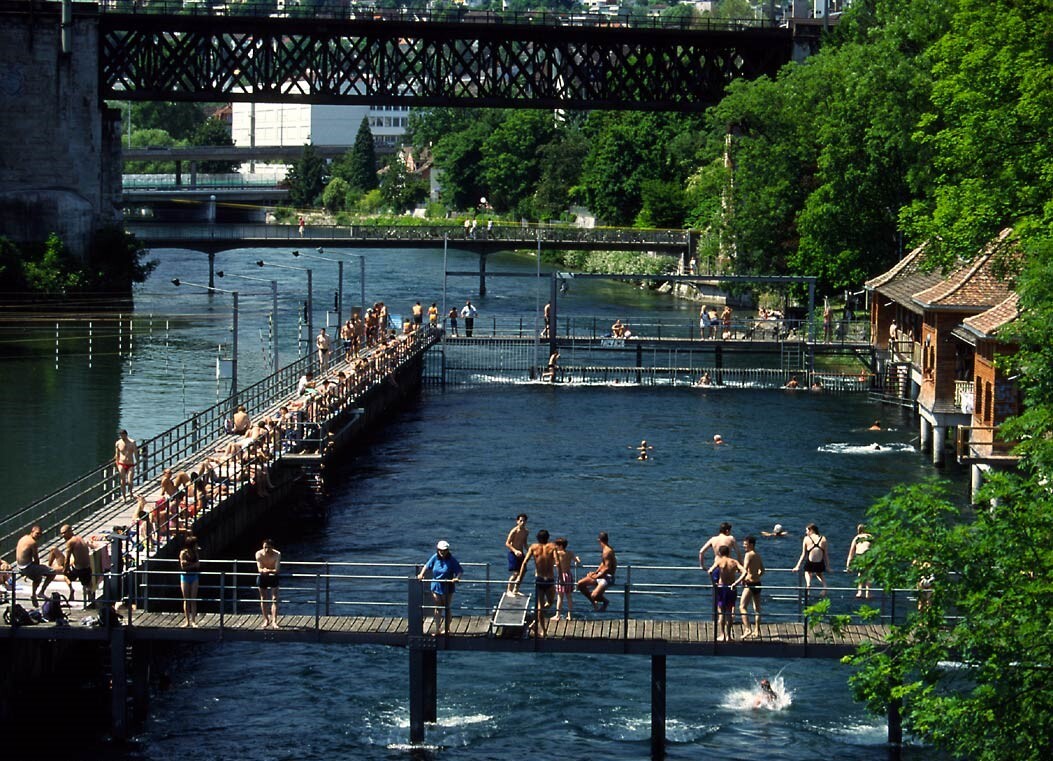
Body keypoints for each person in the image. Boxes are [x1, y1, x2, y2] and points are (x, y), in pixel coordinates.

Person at [516, 529, 558, 637]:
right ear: (548, 537)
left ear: (537, 538)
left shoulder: (533, 547)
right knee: (550, 602)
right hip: (549, 579)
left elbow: (524, 562)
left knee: (541, 607)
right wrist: (562, 578)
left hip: (539, 579)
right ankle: (542, 628)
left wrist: (520, 578)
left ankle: (540, 627)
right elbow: (557, 563)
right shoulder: (553, 547)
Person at [417, 540, 462, 635]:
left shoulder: (451, 560)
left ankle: (447, 629)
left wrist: (457, 578)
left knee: (446, 607)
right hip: (436, 585)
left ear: (447, 550)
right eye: (440, 550)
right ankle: (437, 629)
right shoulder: (435, 557)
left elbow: (459, 570)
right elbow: (427, 565)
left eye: (444, 550)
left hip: (447, 586)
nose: (442, 552)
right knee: (438, 607)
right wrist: (421, 574)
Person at [708, 545, 743, 642]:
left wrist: (714, 583)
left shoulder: (719, 561)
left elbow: (710, 571)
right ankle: (729, 636)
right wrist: (736, 583)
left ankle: (722, 634)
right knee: (729, 612)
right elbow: (744, 572)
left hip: (721, 587)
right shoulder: (734, 562)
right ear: (729, 552)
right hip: (731, 588)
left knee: (721, 612)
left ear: (719, 553)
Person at [15, 525, 56, 605]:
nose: (39, 535)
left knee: (38, 578)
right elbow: (36, 559)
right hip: (27, 567)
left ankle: (33, 595)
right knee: (52, 572)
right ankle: (41, 592)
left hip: (20, 566)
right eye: (37, 533)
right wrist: (38, 569)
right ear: (32, 531)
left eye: (40, 534)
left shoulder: (23, 538)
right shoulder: (32, 542)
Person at [577, 532, 616, 612]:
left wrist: (596, 577)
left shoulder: (607, 551)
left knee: (594, 595)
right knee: (580, 584)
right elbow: (603, 564)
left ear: (599, 540)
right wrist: (595, 573)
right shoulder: (605, 549)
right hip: (601, 574)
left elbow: (607, 568)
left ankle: (605, 602)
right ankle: (594, 603)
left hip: (608, 577)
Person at [735, 535, 765, 638]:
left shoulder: (748, 555)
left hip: (750, 584)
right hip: (758, 583)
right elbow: (762, 570)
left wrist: (742, 579)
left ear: (751, 545)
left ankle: (747, 629)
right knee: (757, 609)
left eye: (746, 544)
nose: (744, 546)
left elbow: (744, 569)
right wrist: (756, 576)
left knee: (742, 606)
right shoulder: (757, 555)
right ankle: (757, 631)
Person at [59, 524, 94, 608]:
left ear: (70, 531)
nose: (62, 535)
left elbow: (67, 558)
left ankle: (71, 589)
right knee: (87, 585)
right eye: (61, 533)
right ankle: (91, 601)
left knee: (65, 575)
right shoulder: (80, 538)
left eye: (64, 533)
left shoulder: (70, 542)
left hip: (79, 569)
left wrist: (65, 570)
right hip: (87, 567)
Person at [792, 523, 828, 595]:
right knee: (819, 574)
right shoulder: (823, 539)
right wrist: (828, 567)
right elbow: (825, 555)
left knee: (807, 572)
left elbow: (803, 554)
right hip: (820, 563)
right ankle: (825, 586)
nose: (806, 532)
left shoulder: (806, 539)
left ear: (811, 530)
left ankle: (808, 584)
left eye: (807, 531)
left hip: (810, 563)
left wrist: (797, 566)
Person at [256, 538, 281, 629]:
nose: (266, 550)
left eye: (268, 547)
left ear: (272, 547)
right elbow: (259, 568)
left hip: (273, 577)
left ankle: (274, 621)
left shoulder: (277, 554)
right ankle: (266, 619)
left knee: (274, 598)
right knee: (263, 598)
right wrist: (264, 570)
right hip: (263, 577)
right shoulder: (259, 554)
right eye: (265, 547)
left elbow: (277, 570)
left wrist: (268, 570)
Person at [552, 537, 580, 621]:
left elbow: (552, 561)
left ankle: (557, 615)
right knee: (569, 596)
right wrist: (577, 558)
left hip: (561, 576)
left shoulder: (558, 553)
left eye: (557, 545)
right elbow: (577, 561)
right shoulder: (570, 553)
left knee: (560, 597)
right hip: (569, 576)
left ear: (560, 546)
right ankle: (570, 615)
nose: (555, 546)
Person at [179, 535, 202, 627]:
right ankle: (187, 621)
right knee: (186, 599)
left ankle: (193, 621)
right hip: (185, 576)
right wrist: (193, 565)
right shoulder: (183, 553)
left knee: (193, 599)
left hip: (194, 576)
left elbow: (198, 565)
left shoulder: (195, 553)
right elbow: (183, 566)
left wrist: (189, 564)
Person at [846, 524, 872, 599]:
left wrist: (848, 566)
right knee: (868, 573)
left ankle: (859, 592)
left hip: (859, 555)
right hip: (868, 554)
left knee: (860, 573)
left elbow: (851, 554)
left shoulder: (856, 538)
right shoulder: (870, 536)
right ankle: (867, 592)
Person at [505, 513, 529, 595]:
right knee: (515, 573)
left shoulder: (526, 532)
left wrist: (529, 551)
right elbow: (507, 543)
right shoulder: (514, 531)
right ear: (517, 521)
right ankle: (509, 590)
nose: (522, 522)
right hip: (513, 553)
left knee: (522, 572)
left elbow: (525, 543)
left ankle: (516, 589)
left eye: (524, 521)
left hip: (521, 553)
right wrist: (515, 551)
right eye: (521, 521)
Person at [115, 429, 138, 501]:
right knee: (122, 481)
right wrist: (117, 464)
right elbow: (117, 455)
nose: (122, 436)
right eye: (120, 435)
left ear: (126, 435)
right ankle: (124, 497)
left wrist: (137, 463)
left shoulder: (132, 442)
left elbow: (136, 453)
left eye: (123, 435)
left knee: (130, 481)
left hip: (130, 463)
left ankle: (131, 493)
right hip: (121, 463)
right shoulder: (118, 443)